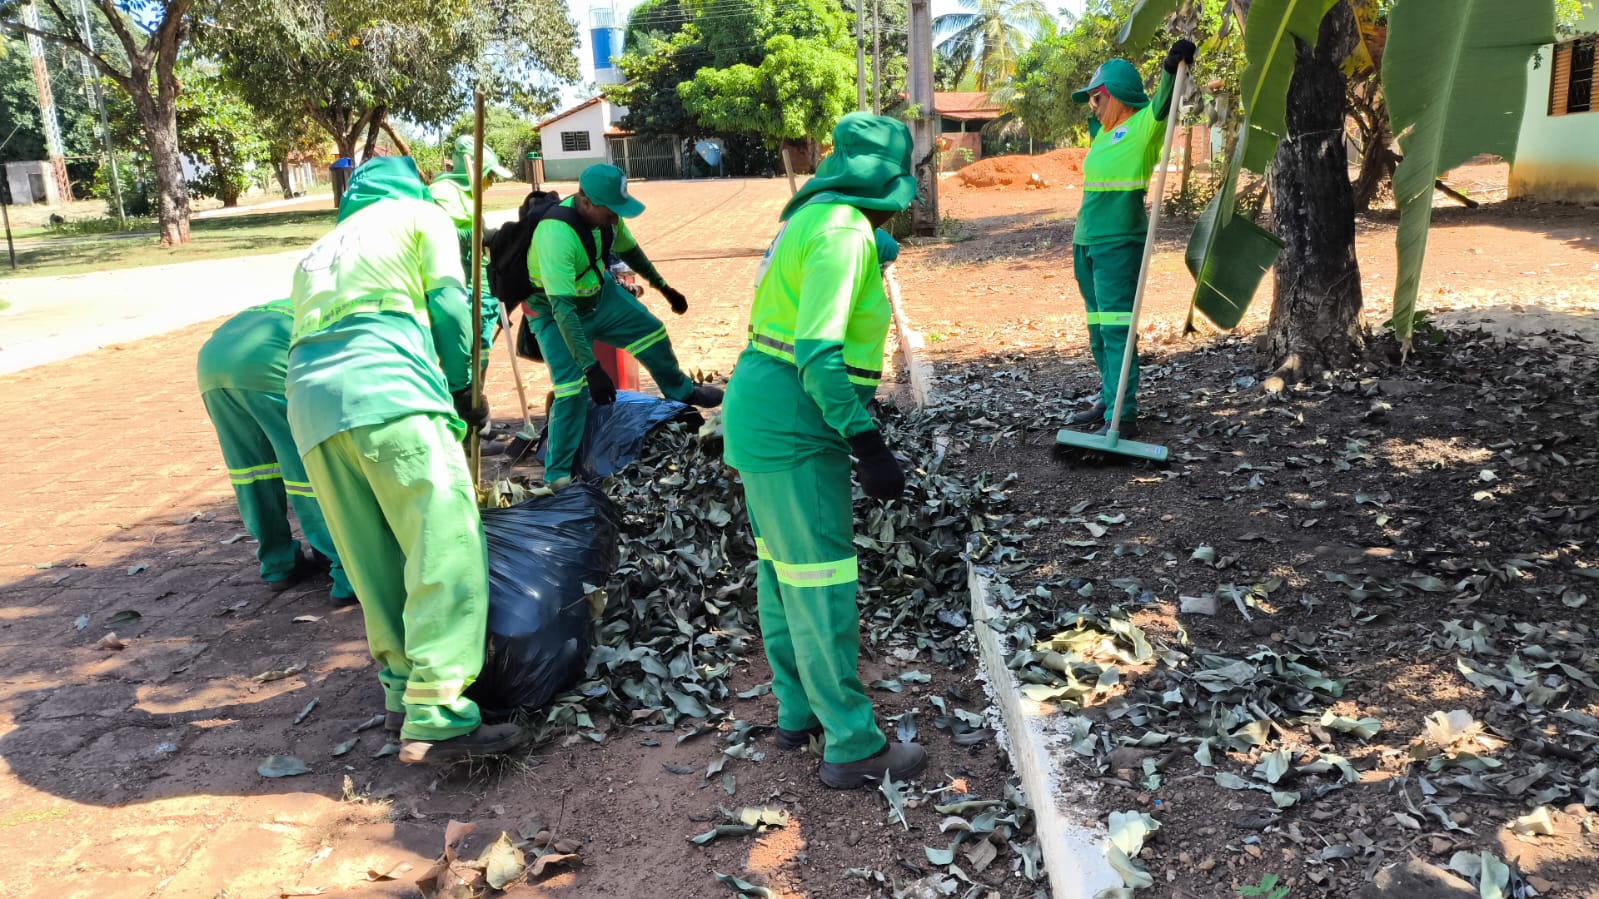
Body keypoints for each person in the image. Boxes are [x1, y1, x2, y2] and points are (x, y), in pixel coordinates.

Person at [286, 156, 524, 765]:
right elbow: (450, 310)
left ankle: (400, 691)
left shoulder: (318, 250)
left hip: (311, 410)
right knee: (444, 542)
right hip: (391, 393)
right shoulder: (421, 216)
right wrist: (467, 387)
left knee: (372, 556)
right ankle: (440, 712)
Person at [723, 113, 927, 790]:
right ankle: (850, 741)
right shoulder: (841, 231)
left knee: (781, 574)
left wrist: (873, 249)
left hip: (759, 416)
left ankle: (797, 711)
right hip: (796, 422)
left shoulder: (815, 219)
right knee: (820, 583)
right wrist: (866, 442)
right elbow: (816, 353)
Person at [524, 163, 722, 488]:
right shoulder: (555, 235)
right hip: (553, 311)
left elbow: (631, 251)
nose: (616, 217)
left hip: (599, 295)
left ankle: (682, 390)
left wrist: (663, 287)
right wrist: (591, 368)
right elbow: (563, 310)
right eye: (610, 211)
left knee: (651, 331)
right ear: (586, 202)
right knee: (571, 391)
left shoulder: (608, 221)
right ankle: (557, 476)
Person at [1066, 39, 1196, 439]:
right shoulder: (1103, 134)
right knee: (1097, 328)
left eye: (1096, 98)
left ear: (1117, 96)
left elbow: (1161, 103)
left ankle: (1124, 410)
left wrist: (1171, 69)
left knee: (1117, 327)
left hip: (1119, 244)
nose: (1093, 106)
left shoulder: (1142, 127)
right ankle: (1109, 397)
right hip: (1086, 242)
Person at [196, 299, 353, 602]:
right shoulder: (358, 313)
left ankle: (278, 563)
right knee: (307, 471)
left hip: (213, 364)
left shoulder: (301, 300)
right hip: (269, 365)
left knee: (251, 471)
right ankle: (346, 573)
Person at [429, 135, 507, 371]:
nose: (491, 182)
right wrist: (479, 235)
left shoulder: (472, 194)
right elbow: (442, 233)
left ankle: (475, 396)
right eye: (489, 175)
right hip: (453, 280)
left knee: (482, 341)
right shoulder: (441, 192)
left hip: (480, 275)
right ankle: (462, 396)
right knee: (463, 344)